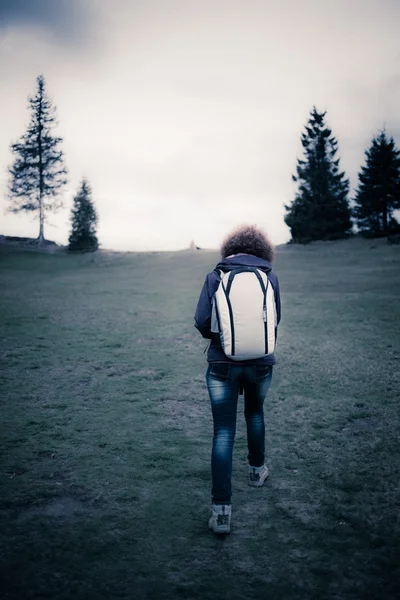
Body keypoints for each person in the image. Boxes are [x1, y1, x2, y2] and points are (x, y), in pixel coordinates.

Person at [194, 224, 281, 534]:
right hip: (261, 363)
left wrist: (221, 340)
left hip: (221, 364)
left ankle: (221, 512)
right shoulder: (269, 277)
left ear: (228, 249)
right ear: (262, 250)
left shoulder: (215, 276)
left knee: (224, 431)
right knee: (255, 414)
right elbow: (276, 319)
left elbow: (201, 321)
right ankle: (257, 471)